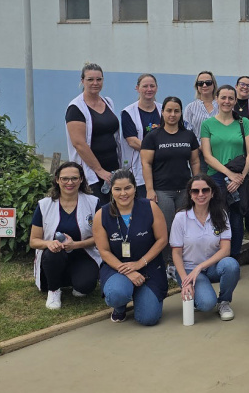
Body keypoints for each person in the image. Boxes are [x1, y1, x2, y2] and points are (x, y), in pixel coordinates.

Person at [93, 169, 168, 325]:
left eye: (127, 188)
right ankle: (120, 306)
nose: (123, 193)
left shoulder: (150, 207)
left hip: (148, 266)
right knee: (117, 293)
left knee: (149, 318)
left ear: (135, 188)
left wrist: (140, 263)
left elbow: (162, 239)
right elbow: (104, 251)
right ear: (111, 190)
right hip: (117, 267)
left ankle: (140, 293)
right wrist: (128, 271)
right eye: (117, 189)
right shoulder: (101, 214)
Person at [141, 96, 200, 275]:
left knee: (185, 227)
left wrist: (197, 185)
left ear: (181, 113)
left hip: (185, 190)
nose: (172, 114)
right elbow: (146, 164)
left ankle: (182, 262)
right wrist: (150, 189)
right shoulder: (153, 137)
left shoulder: (188, 135)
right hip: (162, 191)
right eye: (169, 111)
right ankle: (166, 264)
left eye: (176, 111)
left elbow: (195, 161)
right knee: (166, 228)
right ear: (162, 112)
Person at [30, 162, 102, 310]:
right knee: (53, 253)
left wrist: (76, 245)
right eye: (65, 179)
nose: (70, 182)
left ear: (81, 179)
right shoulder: (44, 205)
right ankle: (54, 290)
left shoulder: (93, 202)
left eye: (74, 178)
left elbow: (100, 238)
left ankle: (74, 281)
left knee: (85, 287)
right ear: (57, 180)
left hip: (83, 253)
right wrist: (49, 243)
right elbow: (34, 241)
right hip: (55, 256)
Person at [171, 175, 241, 321]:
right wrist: (185, 280)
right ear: (190, 194)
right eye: (195, 191)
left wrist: (200, 267)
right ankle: (198, 295)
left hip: (212, 267)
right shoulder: (180, 218)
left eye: (205, 190)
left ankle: (224, 302)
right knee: (207, 304)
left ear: (212, 192)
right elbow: (176, 253)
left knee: (231, 265)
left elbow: (225, 250)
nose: (201, 194)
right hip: (189, 269)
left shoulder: (221, 214)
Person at [200, 85, 249, 259]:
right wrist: (229, 174)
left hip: (239, 175)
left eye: (231, 98)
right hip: (216, 177)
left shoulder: (243, 122)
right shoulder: (207, 124)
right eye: (223, 97)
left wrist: (240, 177)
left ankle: (234, 257)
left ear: (235, 100)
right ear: (216, 99)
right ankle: (216, 256)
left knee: (236, 218)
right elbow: (207, 156)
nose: (227, 101)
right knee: (217, 216)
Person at [65, 63, 121, 207]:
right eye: (90, 79)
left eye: (99, 79)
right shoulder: (76, 108)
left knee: (116, 210)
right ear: (82, 81)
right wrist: (99, 170)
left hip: (112, 168)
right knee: (98, 212)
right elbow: (79, 144)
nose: (95, 83)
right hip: (92, 172)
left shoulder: (108, 102)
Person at [120, 73, 162, 198]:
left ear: (157, 88)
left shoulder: (163, 109)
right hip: (138, 168)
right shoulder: (128, 112)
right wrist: (158, 151)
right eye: (145, 86)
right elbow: (132, 141)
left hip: (161, 167)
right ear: (137, 88)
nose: (149, 89)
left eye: (152, 86)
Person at [183, 70, 218, 138]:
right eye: (200, 83)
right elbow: (186, 131)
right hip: (197, 144)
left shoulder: (221, 106)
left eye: (208, 82)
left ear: (214, 84)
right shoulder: (190, 108)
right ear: (197, 86)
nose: (204, 85)